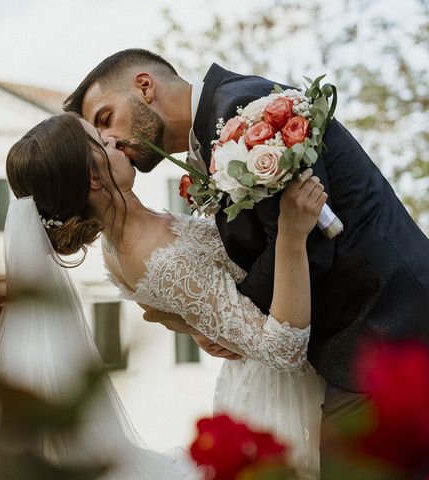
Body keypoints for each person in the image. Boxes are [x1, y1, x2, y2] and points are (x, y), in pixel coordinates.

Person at [62, 49, 429, 474]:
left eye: (106, 118)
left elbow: (309, 245)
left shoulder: (243, 116)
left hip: (385, 322)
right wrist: (212, 316)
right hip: (348, 343)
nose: (111, 140)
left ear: (145, 87)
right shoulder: (213, 135)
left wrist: (227, 317)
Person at [0, 113, 327, 478]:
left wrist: (204, 327)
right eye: (102, 141)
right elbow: (283, 349)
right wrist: (291, 235)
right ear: (94, 178)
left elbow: (183, 306)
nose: (115, 140)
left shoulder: (119, 242)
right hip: (283, 404)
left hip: (249, 385)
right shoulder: (155, 254)